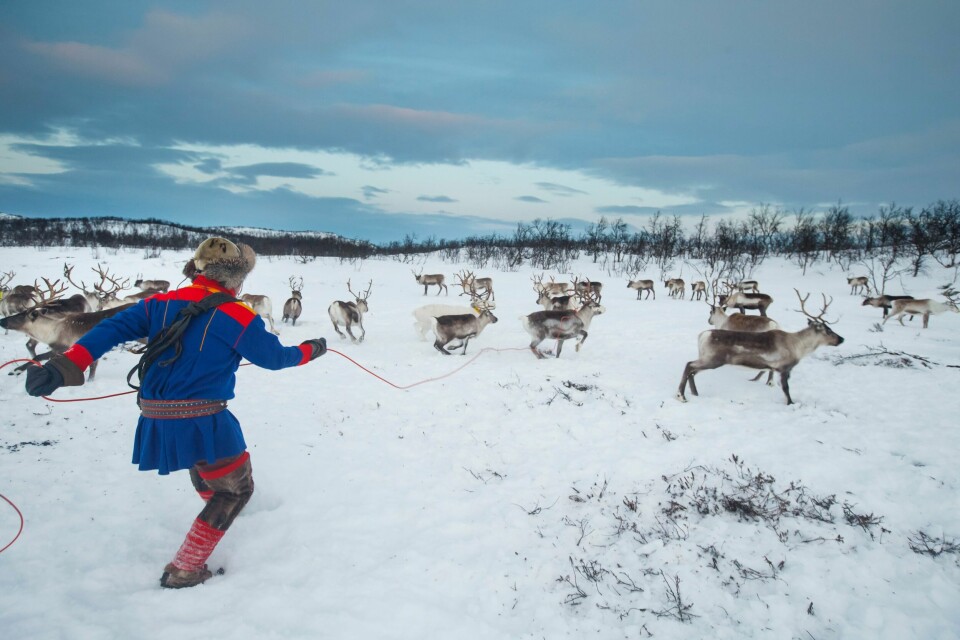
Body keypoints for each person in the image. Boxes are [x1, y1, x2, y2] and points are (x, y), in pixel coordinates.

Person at [24, 237, 327, 588]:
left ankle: (215, 517)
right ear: (237, 278)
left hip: (155, 416)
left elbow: (111, 328)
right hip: (203, 418)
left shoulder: (159, 303)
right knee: (234, 490)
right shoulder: (238, 314)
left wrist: (65, 366)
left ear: (197, 270)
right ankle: (185, 569)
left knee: (207, 467)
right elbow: (276, 359)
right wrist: (310, 350)